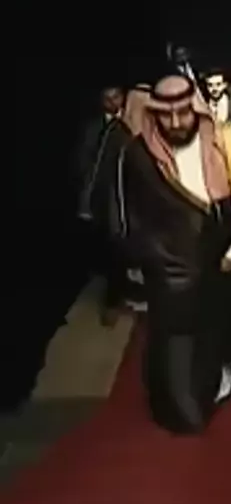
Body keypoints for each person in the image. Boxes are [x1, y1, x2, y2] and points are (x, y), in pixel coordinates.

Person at [110, 74, 231, 434]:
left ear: (197, 108)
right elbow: (126, 221)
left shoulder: (229, 141)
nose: (176, 123)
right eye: (166, 115)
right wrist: (162, 262)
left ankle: (229, 371)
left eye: (183, 113)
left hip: (229, 265)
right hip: (176, 281)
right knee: (184, 404)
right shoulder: (137, 156)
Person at [76, 85, 129, 326]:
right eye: (107, 98)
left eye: (115, 96)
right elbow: (84, 162)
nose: (112, 101)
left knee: (119, 249)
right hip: (100, 198)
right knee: (107, 249)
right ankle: (110, 296)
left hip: (123, 199)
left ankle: (116, 298)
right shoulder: (94, 128)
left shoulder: (130, 124)